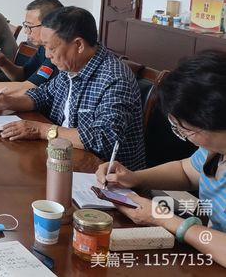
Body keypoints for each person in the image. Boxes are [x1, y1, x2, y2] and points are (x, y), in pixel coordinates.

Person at [96, 51, 226, 267]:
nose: (184, 136)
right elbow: (187, 171)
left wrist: (163, 218)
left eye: (185, 130)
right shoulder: (214, 147)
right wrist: (134, 177)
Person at [0, 6, 146, 171]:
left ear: (78, 45)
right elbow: (44, 94)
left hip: (105, 175)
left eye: (51, 48)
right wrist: (9, 102)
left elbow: (103, 140)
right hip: (64, 158)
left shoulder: (114, 78)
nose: (47, 55)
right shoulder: (72, 65)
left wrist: (41, 130)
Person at [0, 0, 63, 95]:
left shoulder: (56, 53)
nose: (26, 31)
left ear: (49, 25)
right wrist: (3, 62)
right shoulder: (43, 48)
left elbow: (28, 88)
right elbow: (23, 76)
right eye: (25, 26)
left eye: (30, 26)